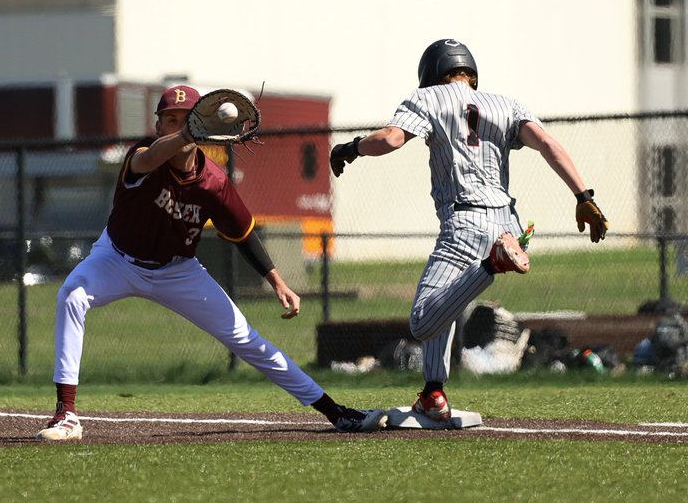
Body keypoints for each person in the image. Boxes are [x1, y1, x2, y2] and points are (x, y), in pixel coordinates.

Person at [38, 85, 388, 440]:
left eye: (187, 119)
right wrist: (187, 133)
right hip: (116, 259)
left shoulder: (214, 182)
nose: (179, 126)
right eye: (170, 120)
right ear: (158, 127)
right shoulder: (141, 157)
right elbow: (151, 156)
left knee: (247, 340)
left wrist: (277, 281)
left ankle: (336, 412)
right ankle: (67, 414)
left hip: (177, 271)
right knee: (71, 295)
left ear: (203, 125)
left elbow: (242, 233)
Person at [329, 38, 608, 420]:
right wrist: (583, 196)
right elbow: (547, 144)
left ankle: (493, 263)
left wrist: (351, 147)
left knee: (422, 320)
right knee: (447, 299)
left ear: (432, 72)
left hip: (465, 222)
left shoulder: (428, 97)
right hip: (507, 224)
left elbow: (390, 140)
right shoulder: (506, 104)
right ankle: (433, 394)